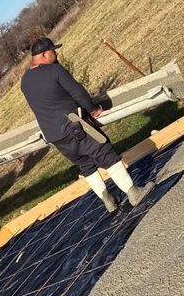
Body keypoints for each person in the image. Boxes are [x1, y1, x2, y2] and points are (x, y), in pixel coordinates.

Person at [19, 37, 154, 214]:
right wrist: (92, 109)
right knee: (105, 154)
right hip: (75, 126)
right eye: (53, 51)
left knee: (86, 166)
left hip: (55, 137)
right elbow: (77, 92)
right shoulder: (54, 70)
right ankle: (133, 193)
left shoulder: (25, 81)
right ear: (43, 55)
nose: (56, 53)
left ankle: (109, 201)